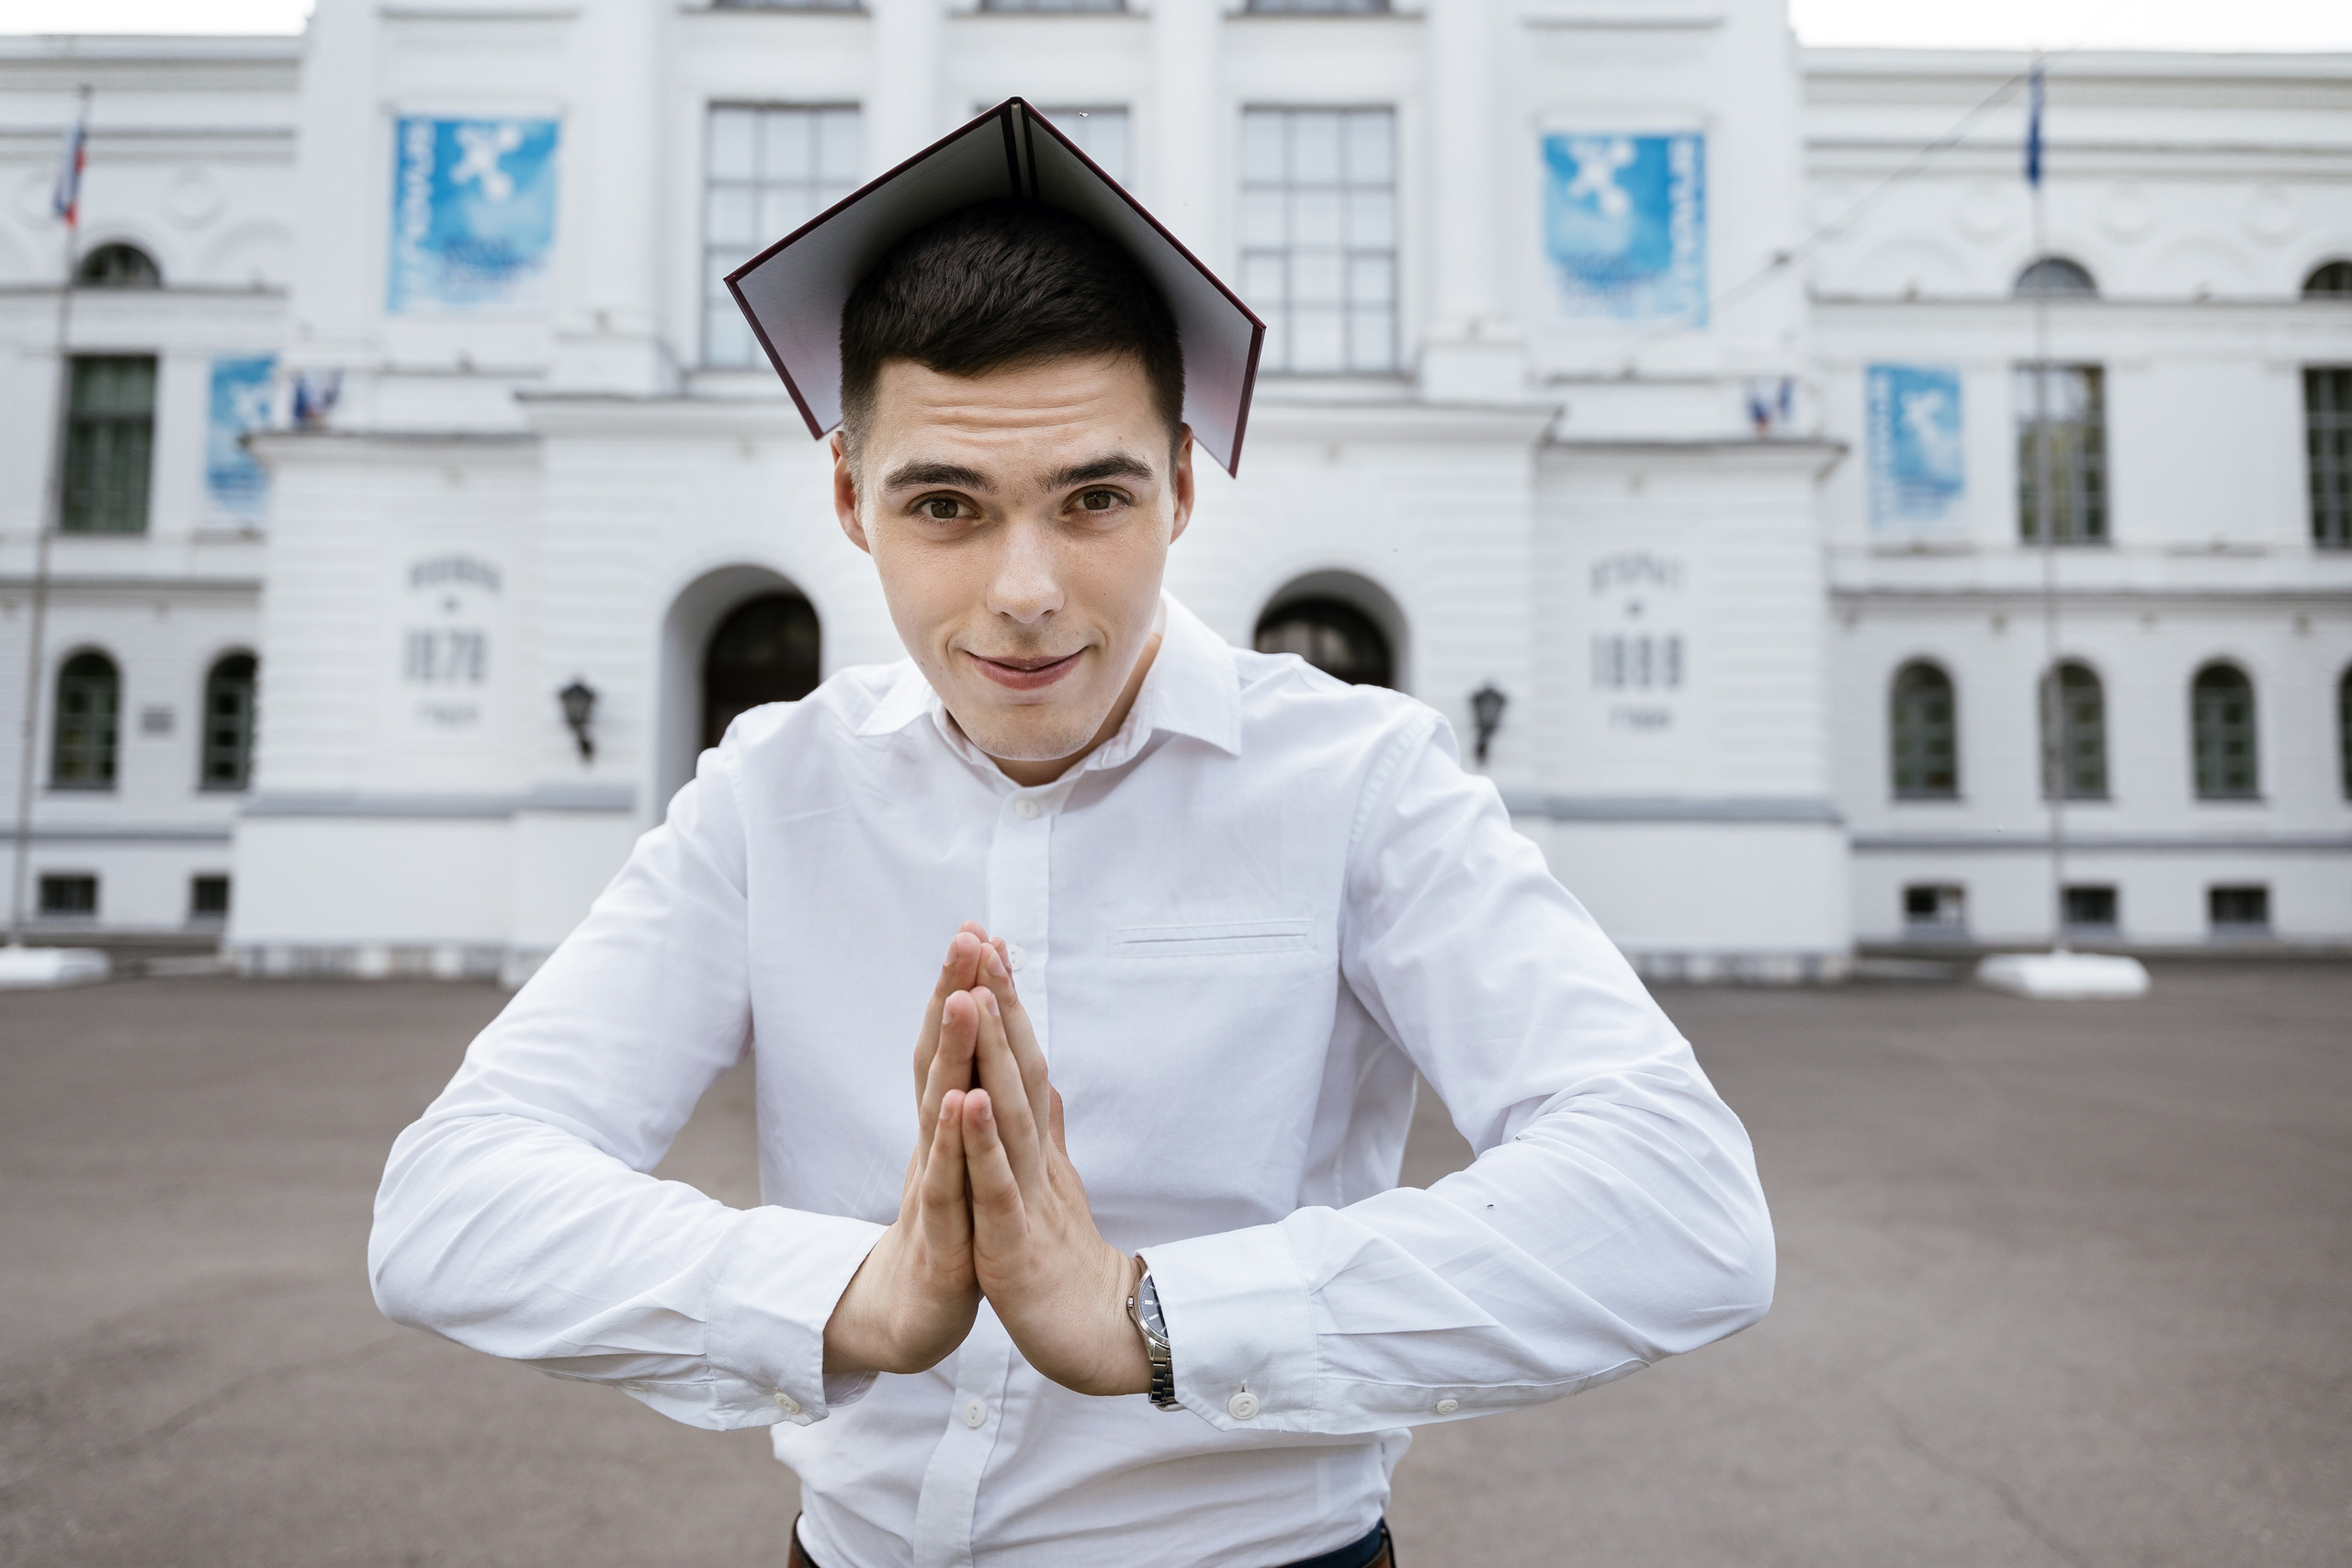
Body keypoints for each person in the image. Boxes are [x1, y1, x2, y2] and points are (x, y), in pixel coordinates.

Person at [370, 103, 1773, 1568]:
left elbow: (1678, 1202)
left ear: (1181, 479)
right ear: (851, 498)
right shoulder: (770, 791)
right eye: (948, 505)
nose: (1026, 588)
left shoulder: (1362, 781)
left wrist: (1152, 1317)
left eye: (1092, 497)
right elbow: (449, 1202)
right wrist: (851, 1298)